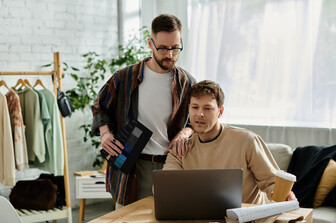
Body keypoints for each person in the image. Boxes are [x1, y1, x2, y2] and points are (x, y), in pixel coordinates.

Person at [91, 14, 196, 207]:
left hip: (172, 164)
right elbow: (100, 107)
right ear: (150, 42)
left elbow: (195, 121)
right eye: (163, 48)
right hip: (132, 166)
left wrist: (185, 133)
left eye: (175, 48)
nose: (170, 55)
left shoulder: (187, 82)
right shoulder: (124, 78)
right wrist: (105, 134)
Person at [163, 80, 297, 204]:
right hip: (199, 219)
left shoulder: (247, 141)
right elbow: (165, 186)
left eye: (207, 108)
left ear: (220, 112)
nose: (200, 114)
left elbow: (270, 181)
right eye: (195, 107)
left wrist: (284, 194)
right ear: (189, 109)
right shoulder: (180, 148)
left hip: (244, 222)